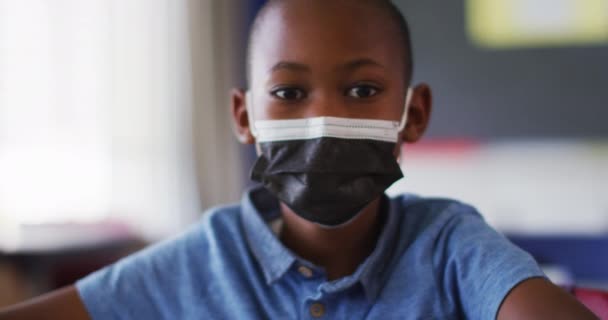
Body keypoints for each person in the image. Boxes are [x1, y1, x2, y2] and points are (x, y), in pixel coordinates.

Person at [0, 0, 599, 319]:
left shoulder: (449, 244)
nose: (322, 121)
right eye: (288, 94)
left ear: (412, 115)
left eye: (362, 91)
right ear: (243, 117)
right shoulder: (206, 259)